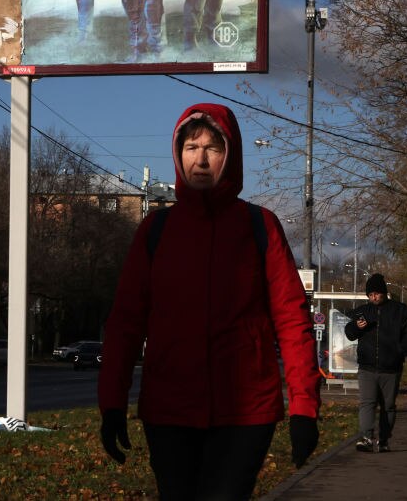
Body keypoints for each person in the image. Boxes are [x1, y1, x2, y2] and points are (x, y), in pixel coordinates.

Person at [98, 103, 320, 499]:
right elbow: (126, 321)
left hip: (246, 413)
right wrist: (112, 402)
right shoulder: (156, 230)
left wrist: (304, 407)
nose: (200, 158)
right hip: (169, 411)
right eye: (191, 147)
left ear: (230, 155)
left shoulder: (259, 225)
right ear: (178, 154)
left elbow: (292, 319)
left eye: (212, 148)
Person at [344, 273, 407, 453]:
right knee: (367, 403)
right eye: (370, 295)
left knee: (388, 405)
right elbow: (349, 332)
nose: (373, 297)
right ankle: (367, 437)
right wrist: (356, 326)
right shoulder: (363, 311)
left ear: (384, 293)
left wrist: (400, 351)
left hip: (391, 368)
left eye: (376, 293)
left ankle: (384, 438)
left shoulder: (400, 311)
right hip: (367, 368)